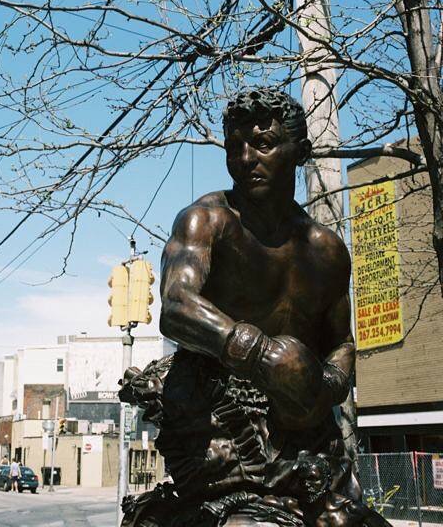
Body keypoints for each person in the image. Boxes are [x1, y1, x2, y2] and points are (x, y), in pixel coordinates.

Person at [118, 88, 382, 527]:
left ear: (300, 151)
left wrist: (321, 388)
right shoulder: (206, 221)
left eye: (262, 144)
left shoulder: (327, 250)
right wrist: (259, 354)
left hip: (304, 433)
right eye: (234, 146)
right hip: (221, 426)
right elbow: (177, 305)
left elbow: (342, 344)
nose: (245, 158)